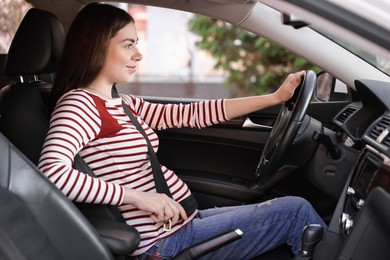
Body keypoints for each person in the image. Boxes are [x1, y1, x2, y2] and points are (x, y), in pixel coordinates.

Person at [38, 3, 326, 259]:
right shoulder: (79, 104)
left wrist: (273, 99)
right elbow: (52, 173)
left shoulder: (122, 104)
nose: (138, 54)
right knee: (297, 212)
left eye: (137, 43)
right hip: (163, 244)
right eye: (128, 45)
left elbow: (193, 114)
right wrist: (138, 196)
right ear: (96, 46)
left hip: (182, 225)